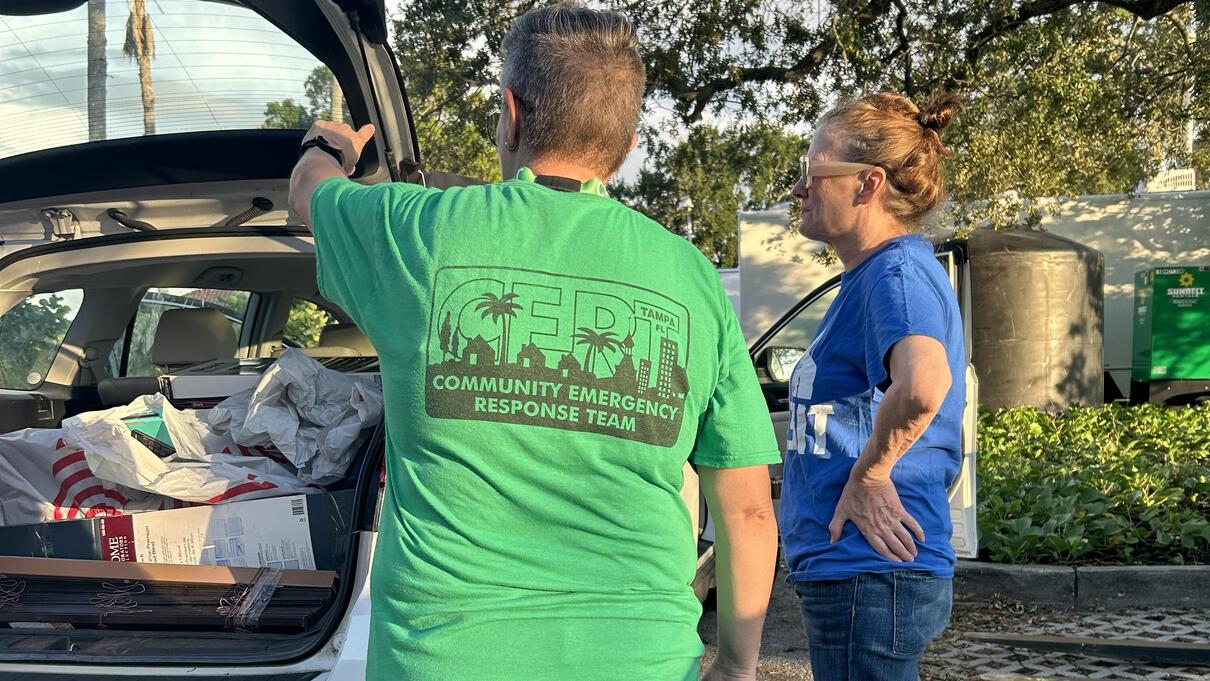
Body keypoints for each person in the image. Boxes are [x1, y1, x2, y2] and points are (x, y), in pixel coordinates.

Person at [287, 3, 781, 680]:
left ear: (512, 114)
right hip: (640, 662)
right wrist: (736, 663)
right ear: (628, 144)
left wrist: (328, 146)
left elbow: (309, 195)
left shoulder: (418, 232)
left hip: (445, 662)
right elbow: (748, 510)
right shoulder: (690, 277)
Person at [779, 91, 966, 681]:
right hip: (863, 572)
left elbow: (923, 384)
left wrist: (871, 475)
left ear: (868, 184)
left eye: (811, 171)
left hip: (869, 572)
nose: (799, 188)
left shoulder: (897, 273)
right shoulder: (876, 276)